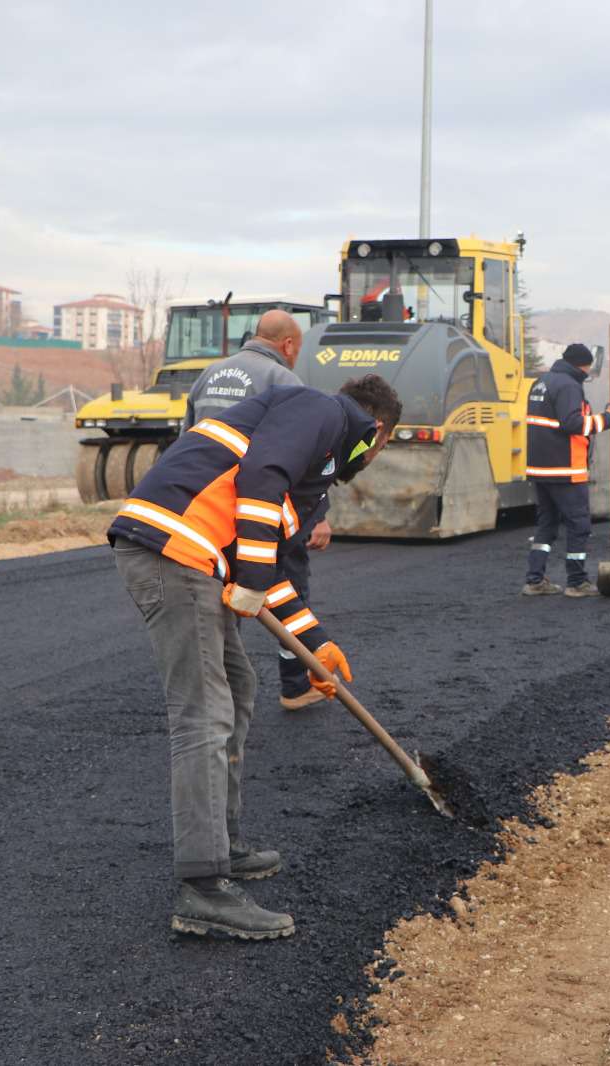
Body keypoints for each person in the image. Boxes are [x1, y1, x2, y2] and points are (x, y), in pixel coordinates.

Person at [108, 376, 401, 940]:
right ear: (378, 430)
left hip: (193, 557)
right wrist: (256, 575)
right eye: (381, 446)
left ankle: (224, 843)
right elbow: (258, 479)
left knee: (239, 687)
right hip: (175, 551)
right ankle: (203, 887)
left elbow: (277, 575)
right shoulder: (321, 409)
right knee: (204, 715)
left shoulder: (309, 478)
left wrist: (317, 647)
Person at [184, 310, 335, 710]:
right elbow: (305, 457)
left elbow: (186, 442)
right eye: (296, 349)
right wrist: (317, 516)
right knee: (289, 585)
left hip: (206, 513)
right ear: (287, 345)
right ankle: (294, 684)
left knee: (220, 596)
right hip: (262, 507)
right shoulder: (284, 380)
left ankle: (217, 693)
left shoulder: (209, 375)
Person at [522, 343, 610, 598]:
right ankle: (576, 582)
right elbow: (572, 423)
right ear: (582, 365)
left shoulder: (541, 382)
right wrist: (608, 419)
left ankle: (534, 580)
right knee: (579, 525)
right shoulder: (569, 385)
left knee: (547, 525)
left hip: (540, 468)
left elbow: (557, 420)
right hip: (565, 467)